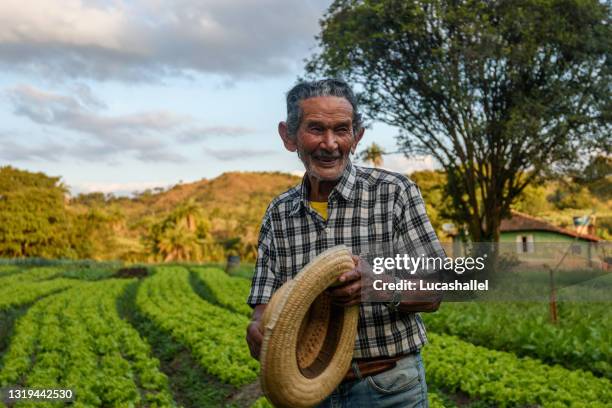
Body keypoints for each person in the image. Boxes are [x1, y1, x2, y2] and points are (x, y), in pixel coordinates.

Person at [246, 78, 445, 407]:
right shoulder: (279, 213)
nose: (330, 143)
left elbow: (436, 289)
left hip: (388, 387)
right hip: (308, 392)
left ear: (357, 137)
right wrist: (257, 331)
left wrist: (377, 285)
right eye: (315, 129)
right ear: (288, 136)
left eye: (342, 129)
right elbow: (263, 305)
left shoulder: (394, 193)